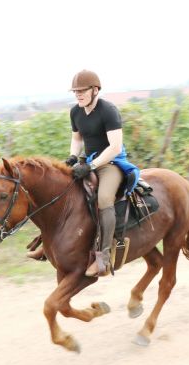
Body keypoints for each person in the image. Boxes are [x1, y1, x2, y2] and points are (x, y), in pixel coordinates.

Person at [27, 69, 139, 277]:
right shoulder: (76, 112)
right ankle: (48, 244)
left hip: (110, 163)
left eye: (82, 91)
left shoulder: (108, 111)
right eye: (75, 91)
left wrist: (91, 165)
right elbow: (78, 138)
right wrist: (72, 157)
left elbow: (115, 147)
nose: (78, 95)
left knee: (104, 199)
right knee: (59, 190)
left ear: (95, 90)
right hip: (87, 161)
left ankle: (104, 257)